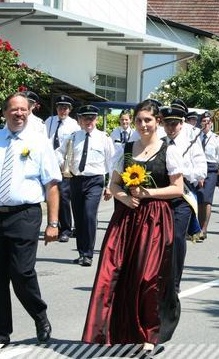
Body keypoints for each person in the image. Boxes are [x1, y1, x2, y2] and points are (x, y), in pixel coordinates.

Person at [82, 100, 183, 351]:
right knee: (114, 272)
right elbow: (114, 184)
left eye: (148, 120)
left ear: (158, 121)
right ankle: (115, 331)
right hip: (126, 218)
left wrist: (148, 193)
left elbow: (177, 189)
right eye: (139, 120)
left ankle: (148, 335)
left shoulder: (168, 150)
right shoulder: (125, 150)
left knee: (148, 277)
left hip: (156, 220)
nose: (143, 124)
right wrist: (124, 197)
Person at [0, 92, 60, 344]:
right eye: (14, 109)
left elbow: (51, 184)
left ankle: (39, 315)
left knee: (21, 272)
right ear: (5, 112)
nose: (19, 114)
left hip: (25, 215)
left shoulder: (39, 141)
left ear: (29, 112)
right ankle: (0, 332)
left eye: (23, 109)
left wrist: (53, 223)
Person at [57, 105, 114, 266]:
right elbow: (59, 153)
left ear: (96, 119)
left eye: (92, 118)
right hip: (76, 180)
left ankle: (88, 254)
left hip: (95, 180)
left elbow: (112, 162)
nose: (89, 121)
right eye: (85, 118)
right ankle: (82, 252)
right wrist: (63, 164)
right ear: (80, 120)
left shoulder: (104, 138)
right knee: (79, 217)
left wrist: (110, 185)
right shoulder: (73, 137)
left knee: (89, 215)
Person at [162, 106, 206, 291]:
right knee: (162, 238)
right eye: (167, 124)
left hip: (182, 196)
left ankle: (174, 281)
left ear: (181, 124)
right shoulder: (159, 143)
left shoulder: (192, 143)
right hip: (163, 195)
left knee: (177, 236)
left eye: (174, 124)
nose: (171, 128)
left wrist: (180, 170)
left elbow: (202, 171)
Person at [45, 95, 80, 242]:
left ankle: (66, 229)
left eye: (65, 108)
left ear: (70, 109)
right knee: (51, 195)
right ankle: (54, 225)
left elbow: (74, 146)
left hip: (64, 164)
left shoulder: (74, 125)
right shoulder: (50, 121)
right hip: (49, 163)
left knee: (64, 197)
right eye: (60, 107)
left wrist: (66, 164)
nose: (62, 110)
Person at [197, 111, 219, 239]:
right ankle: (197, 227)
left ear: (211, 124)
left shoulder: (216, 138)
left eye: (208, 121)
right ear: (200, 123)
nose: (206, 123)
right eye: (204, 121)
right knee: (199, 198)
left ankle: (204, 229)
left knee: (206, 199)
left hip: (211, 169)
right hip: (198, 169)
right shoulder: (196, 137)